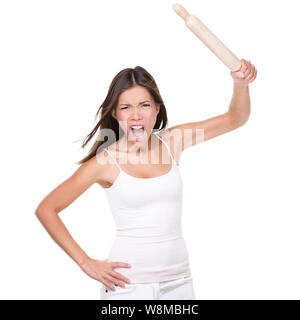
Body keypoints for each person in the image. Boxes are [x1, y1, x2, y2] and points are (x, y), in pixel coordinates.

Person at [35, 60, 257, 300]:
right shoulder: (105, 162)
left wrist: (240, 84)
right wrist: (85, 262)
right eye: (126, 107)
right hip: (129, 285)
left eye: (144, 105)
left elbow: (235, 119)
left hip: (179, 281)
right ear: (114, 113)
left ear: (157, 109)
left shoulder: (174, 141)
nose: (136, 115)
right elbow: (47, 209)